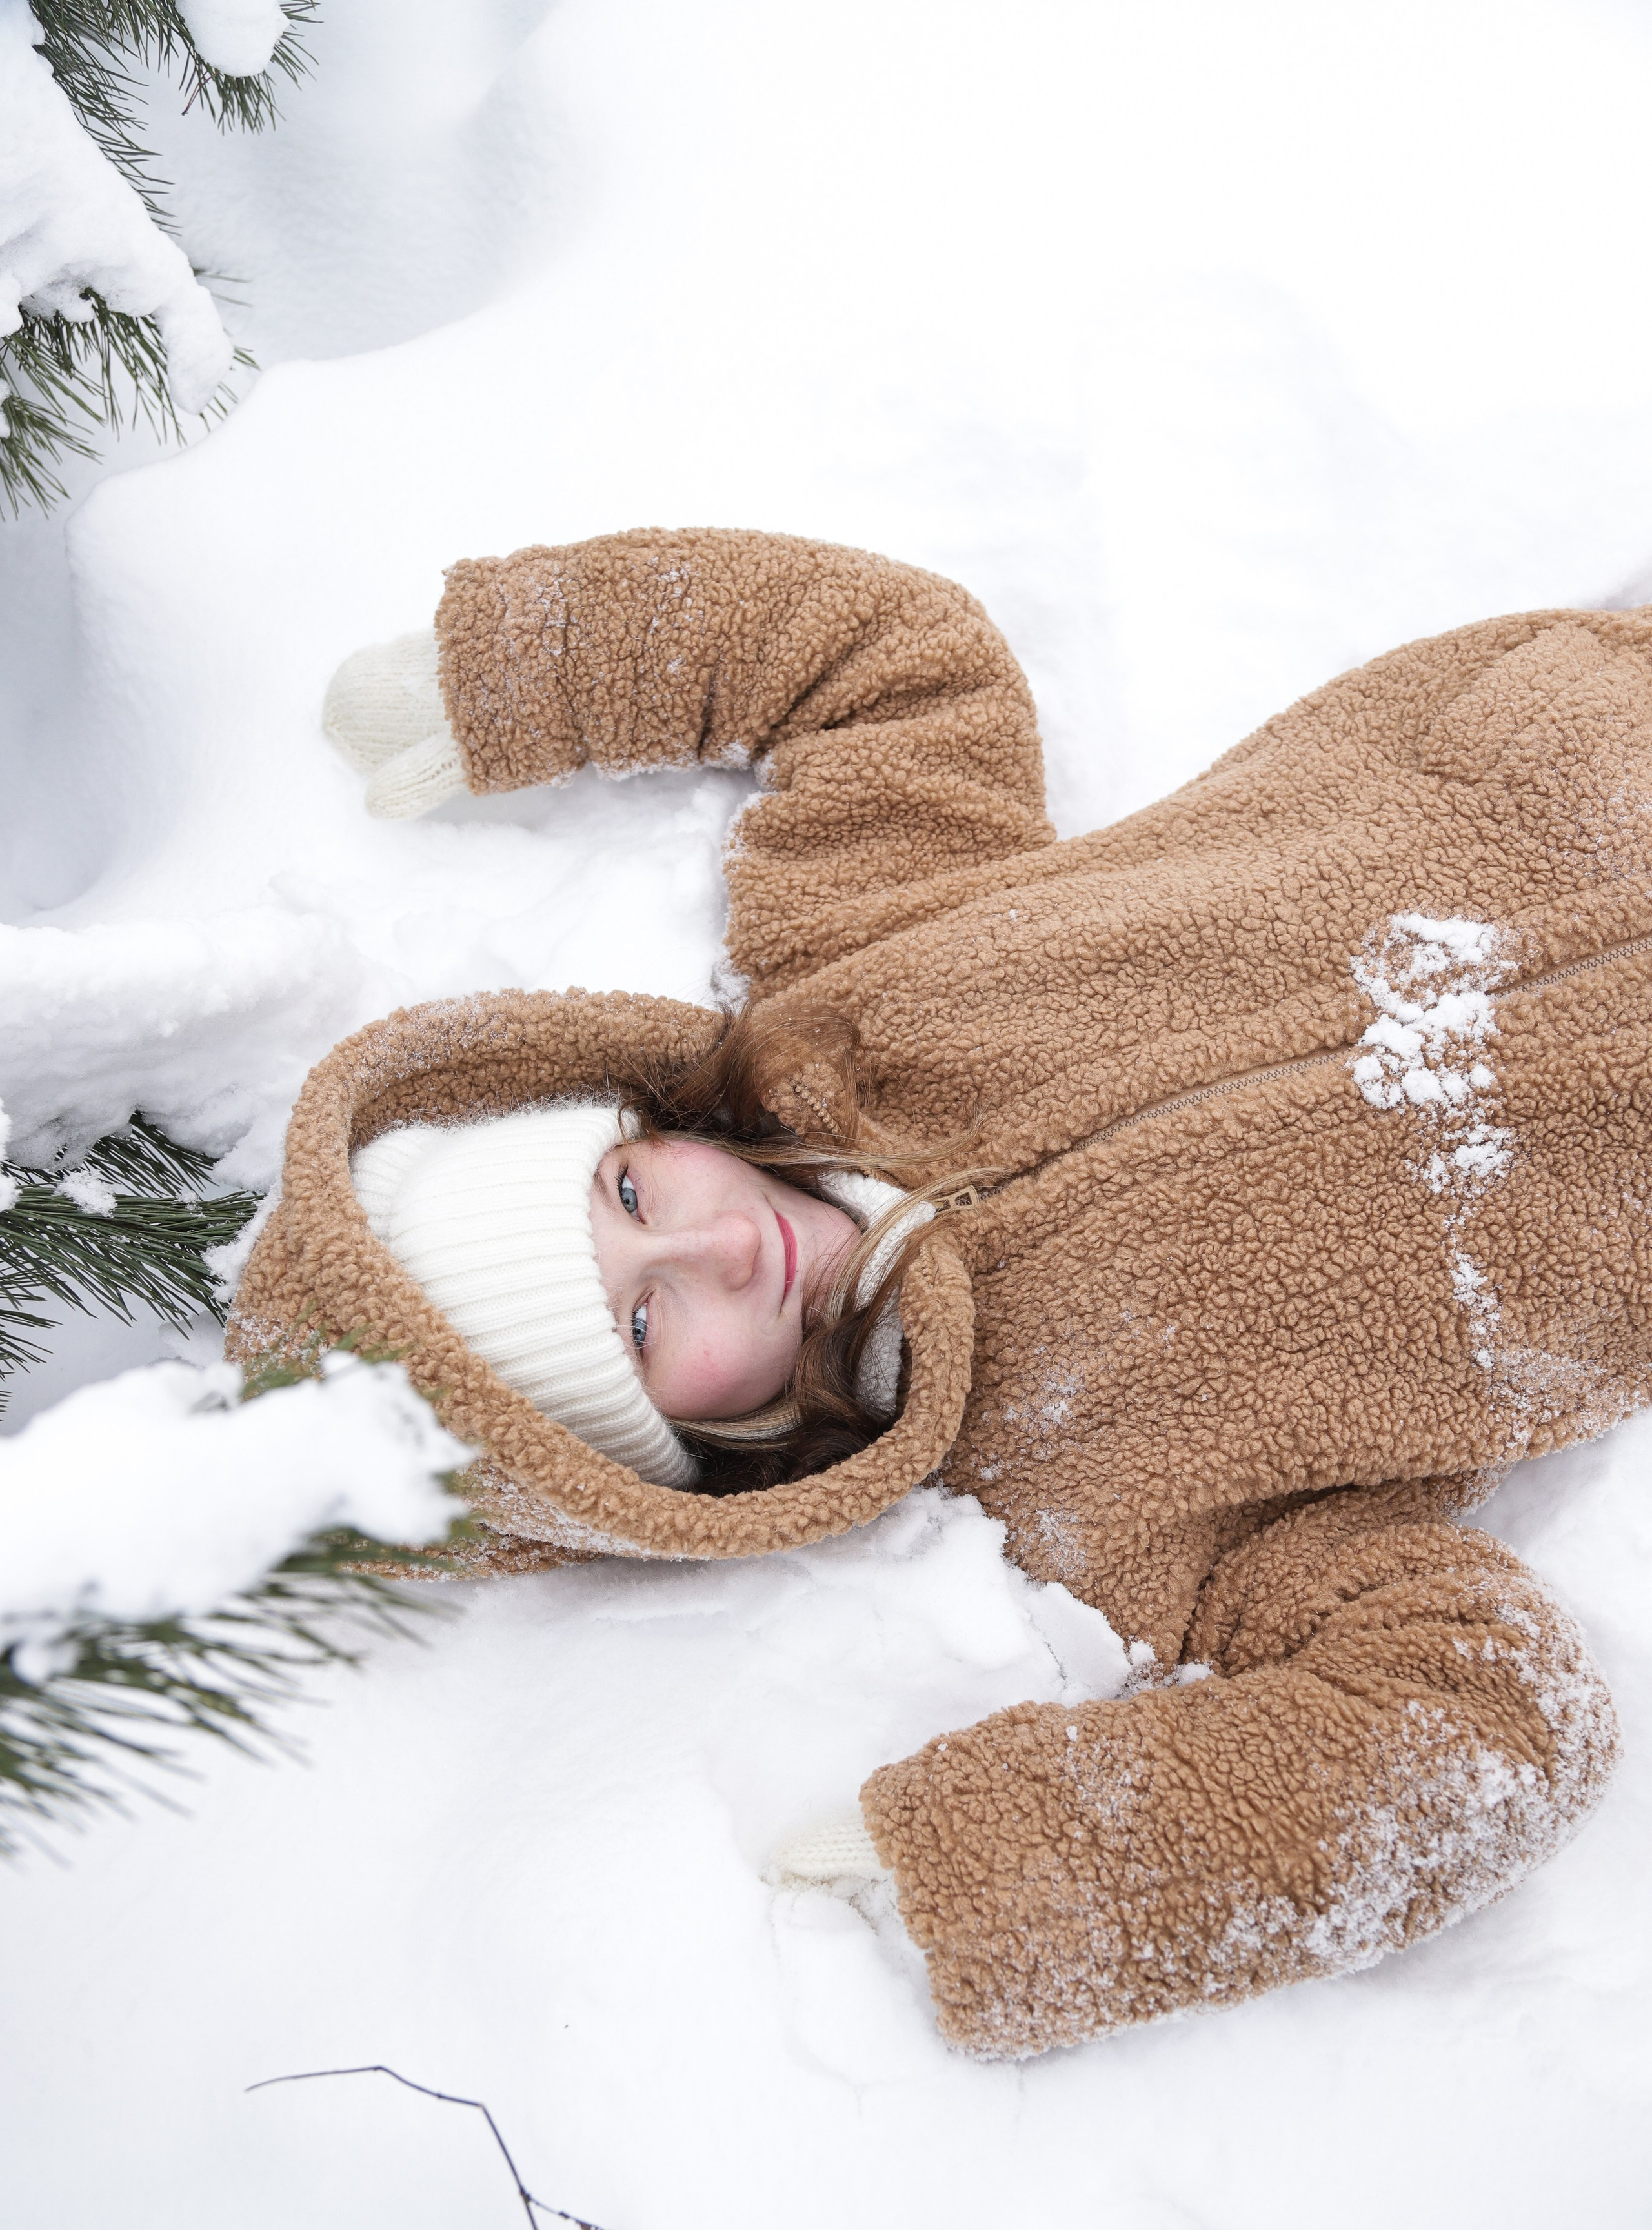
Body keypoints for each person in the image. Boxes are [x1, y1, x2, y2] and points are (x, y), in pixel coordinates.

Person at [230, 528, 1652, 2061]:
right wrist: (1047, 1872)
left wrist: (531, 663)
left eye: (627, 1194)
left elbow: (886, 666)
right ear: (671, 1462)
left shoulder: (845, 966)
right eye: (641, 1324)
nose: (714, 1248)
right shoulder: (1095, 1527)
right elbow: (1485, 1718)